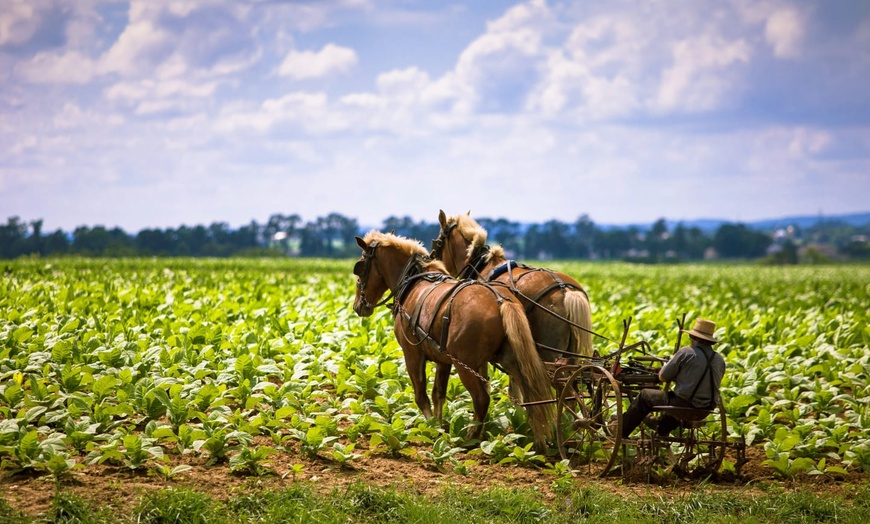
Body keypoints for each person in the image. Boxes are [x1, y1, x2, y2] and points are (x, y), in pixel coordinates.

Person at [621, 318, 726, 439]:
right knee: (675, 402)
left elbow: (662, 377)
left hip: (683, 405)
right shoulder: (719, 359)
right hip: (706, 410)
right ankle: (661, 427)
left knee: (644, 395)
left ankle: (621, 431)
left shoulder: (686, 352)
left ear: (693, 338)